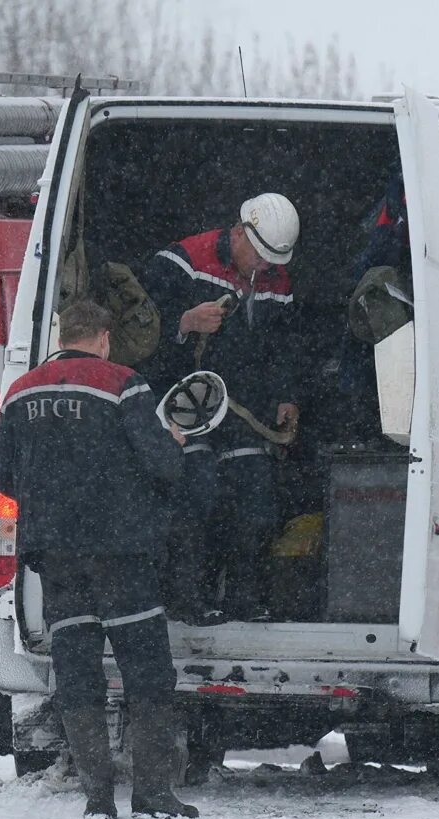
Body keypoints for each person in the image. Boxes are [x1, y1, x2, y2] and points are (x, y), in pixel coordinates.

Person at [0, 301, 198, 819]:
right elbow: (162, 467)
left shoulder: (20, 392)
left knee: (78, 672)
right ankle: (152, 794)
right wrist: (174, 444)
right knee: (147, 672)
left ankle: (98, 798)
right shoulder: (123, 384)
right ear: (105, 337)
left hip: (56, 557)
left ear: (65, 333)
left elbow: (3, 476)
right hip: (120, 553)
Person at [139, 192, 301, 622]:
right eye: (259, 256)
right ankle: (187, 600)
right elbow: (134, 335)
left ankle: (245, 600)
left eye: (272, 261)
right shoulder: (179, 262)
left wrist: (286, 394)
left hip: (244, 405)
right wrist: (184, 323)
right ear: (239, 231)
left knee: (256, 499)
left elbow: (282, 344)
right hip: (184, 402)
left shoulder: (276, 278)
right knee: (196, 496)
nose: (263, 268)